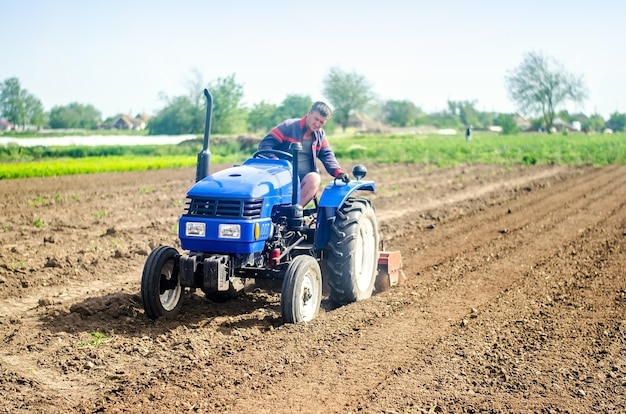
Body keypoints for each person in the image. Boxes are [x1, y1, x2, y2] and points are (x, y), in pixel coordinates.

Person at [258, 101, 349, 206]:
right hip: (283, 177)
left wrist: (338, 172)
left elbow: (327, 155)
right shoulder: (288, 126)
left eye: (322, 122)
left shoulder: (320, 135)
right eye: (316, 119)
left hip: (304, 181)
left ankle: (295, 212)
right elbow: (265, 144)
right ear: (309, 113)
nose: (318, 124)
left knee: (314, 178)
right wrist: (277, 162)